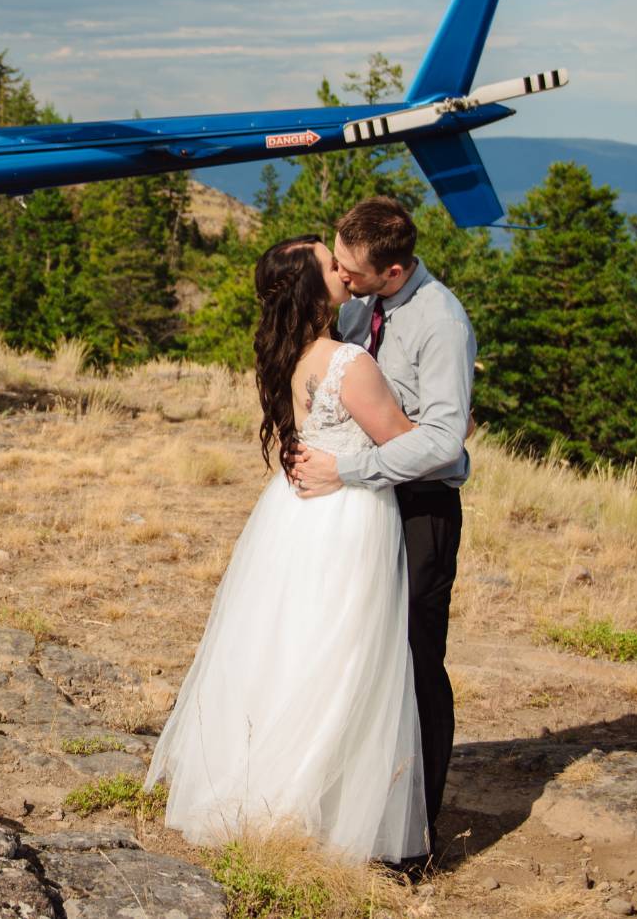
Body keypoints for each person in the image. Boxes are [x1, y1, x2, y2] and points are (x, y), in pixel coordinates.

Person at [146, 234, 427, 863]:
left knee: (287, 642)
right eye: (332, 264)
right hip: (346, 514)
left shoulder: (289, 354)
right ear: (312, 286)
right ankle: (317, 804)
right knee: (343, 650)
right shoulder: (348, 364)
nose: (344, 266)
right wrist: (453, 423)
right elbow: (406, 445)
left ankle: (266, 787)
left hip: (292, 515)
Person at [286, 195, 475, 866]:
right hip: (363, 510)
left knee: (417, 662)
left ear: (392, 273)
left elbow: (446, 442)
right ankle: (353, 804)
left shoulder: (441, 323)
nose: (339, 275)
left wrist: (352, 468)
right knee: (361, 654)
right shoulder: (362, 304)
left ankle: (410, 838)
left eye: (351, 270)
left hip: (420, 507)